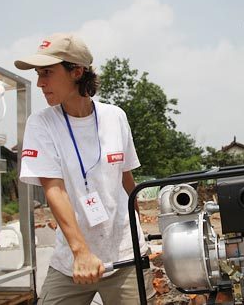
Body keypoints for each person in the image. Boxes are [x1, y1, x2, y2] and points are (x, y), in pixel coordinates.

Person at [15, 33, 152, 304]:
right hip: (72, 261)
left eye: (47, 73)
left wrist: (141, 238)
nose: (40, 83)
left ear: (76, 71)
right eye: (38, 74)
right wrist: (81, 253)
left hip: (124, 256)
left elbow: (127, 182)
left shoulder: (116, 117)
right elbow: (54, 189)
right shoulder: (42, 123)